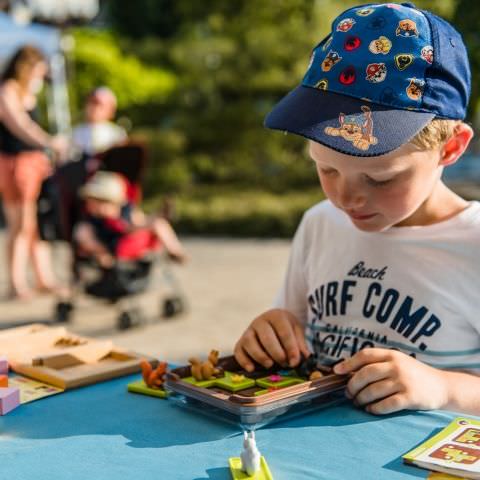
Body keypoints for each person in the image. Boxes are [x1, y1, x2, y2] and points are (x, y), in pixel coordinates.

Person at [234, 3, 480, 416]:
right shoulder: (320, 224)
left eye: (380, 178)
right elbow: (292, 338)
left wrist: (443, 387)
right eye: (326, 168)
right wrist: (270, 336)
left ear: (450, 147)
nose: (347, 198)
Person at [0, 45, 69, 299]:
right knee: (20, 225)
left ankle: (43, 278)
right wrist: (49, 142)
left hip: (33, 163)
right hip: (15, 164)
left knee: (36, 225)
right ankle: (16, 283)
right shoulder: (7, 90)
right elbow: (20, 126)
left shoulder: (27, 91)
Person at [74, 171, 187, 267]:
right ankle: (103, 254)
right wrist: (100, 252)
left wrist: (144, 223)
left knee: (158, 223)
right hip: (112, 245)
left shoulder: (126, 210)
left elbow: (137, 222)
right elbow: (86, 238)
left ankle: (174, 250)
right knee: (82, 232)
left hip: (129, 236)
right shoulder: (92, 220)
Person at [72, 87, 127, 156]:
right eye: (91, 102)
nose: (93, 107)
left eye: (99, 104)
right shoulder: (74, 133)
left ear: (111, 110)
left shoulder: (117, 134)